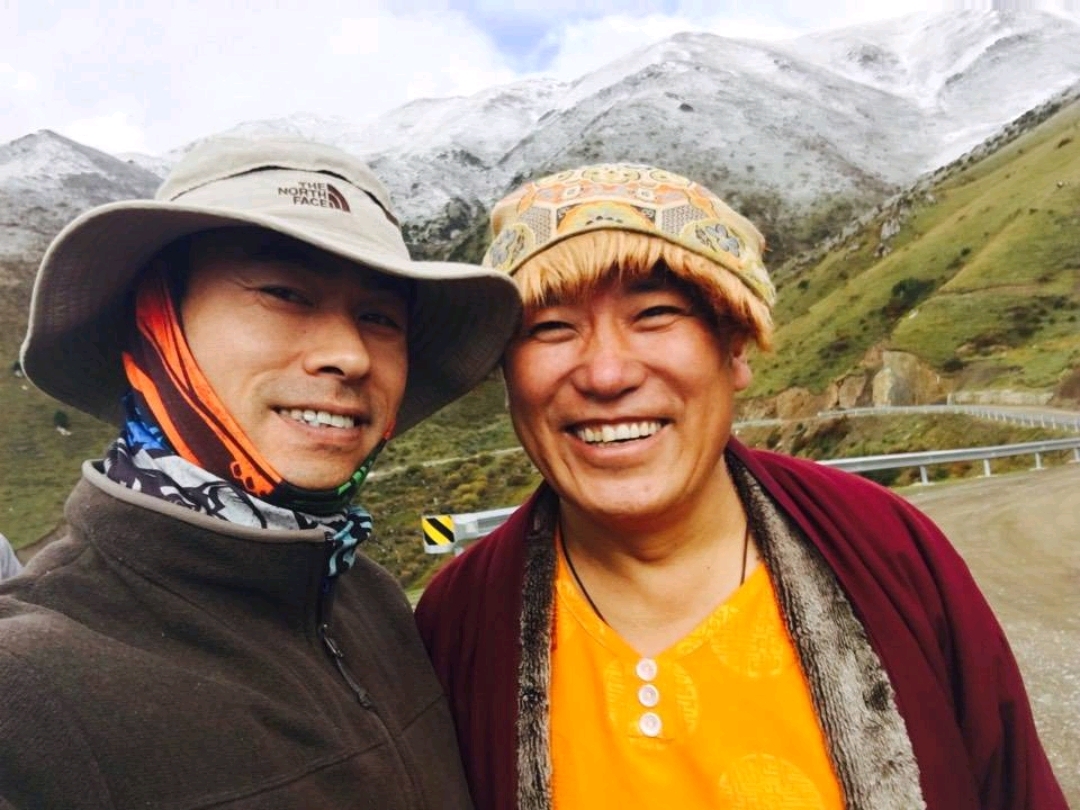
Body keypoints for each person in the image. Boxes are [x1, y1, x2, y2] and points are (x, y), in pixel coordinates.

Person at [415, 164, 1067, 810]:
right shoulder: (457, 622)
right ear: (507, 375)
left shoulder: (886, 550)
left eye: (655, 314)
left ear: (734, 348)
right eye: (550, 328)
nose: (606, 374)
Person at [0, 136, 521, 808]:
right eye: (284, 293)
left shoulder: (370, 599)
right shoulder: (27, 692)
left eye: (379, 317)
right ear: (153, 326)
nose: (351, 355)